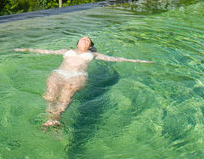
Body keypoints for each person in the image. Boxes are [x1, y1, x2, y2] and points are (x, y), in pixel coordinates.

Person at [14, 36, 153, 127]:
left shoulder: (94, 54)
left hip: (77, 75)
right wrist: (25, 49)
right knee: (50, 93)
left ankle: (56, 117)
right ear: (77, 42)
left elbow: (117, 59)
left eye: (87, 40)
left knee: (66, 94)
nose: (84, 40)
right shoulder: (67, 50)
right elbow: (46, 51)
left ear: (90, 45)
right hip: (59, 73)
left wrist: (139, 61)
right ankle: (49, 118)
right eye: (82, 38)